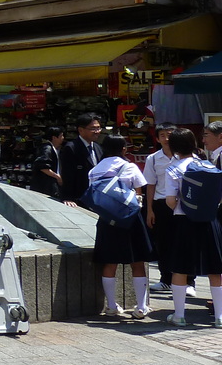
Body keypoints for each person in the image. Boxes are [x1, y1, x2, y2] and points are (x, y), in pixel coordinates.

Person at [87, 135, 153, 318]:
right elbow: (139, 192)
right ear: (123, 149)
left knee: (110, 262)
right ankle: (140, 307)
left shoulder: (94, 171)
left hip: (107, 219)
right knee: (138, 261)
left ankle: (111, 305)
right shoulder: (130, 167)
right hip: (131, 219)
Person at [164, 127, 222, 327]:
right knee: (216, 268)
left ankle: (179, 315)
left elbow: (171, 201)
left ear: (174, 147)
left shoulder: (172, 169)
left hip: (184, 221)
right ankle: (219, 317)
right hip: (209, 220)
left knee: (180, 267)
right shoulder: (206, 165)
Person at [144, 124, 177, 294]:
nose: (166, 138)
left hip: (181, 204)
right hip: (161, 204)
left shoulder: (186, 156)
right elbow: (150, 185)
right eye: (162, 135)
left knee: (183, 241)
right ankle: (165, 279)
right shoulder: (153, 159)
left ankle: (189, 281)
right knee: (162, 243)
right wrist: (149, 210)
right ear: (157, 138)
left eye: (170, 134)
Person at [59, 112, 103, 207]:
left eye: (98, 128)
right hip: (78, 200)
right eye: (93, 129)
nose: (97, 131)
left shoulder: (98, 148)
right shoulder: (71, 148)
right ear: (81, 130)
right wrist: (68, 197)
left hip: (96, 199)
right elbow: (67, 175)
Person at [29, 126, 64, 199]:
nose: (63, 138)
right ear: (54, 137)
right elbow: (43, 167)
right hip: (44, 185)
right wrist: (57, 177)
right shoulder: (47, 149)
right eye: (61, 136)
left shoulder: (54, 148)